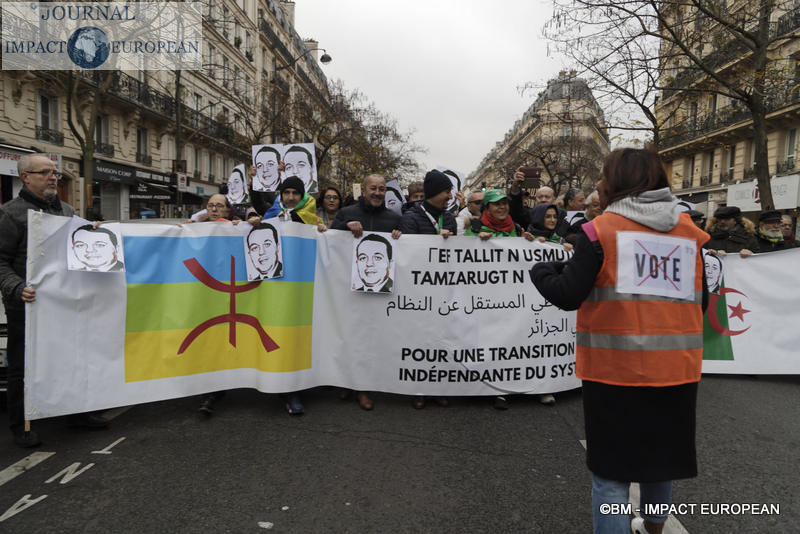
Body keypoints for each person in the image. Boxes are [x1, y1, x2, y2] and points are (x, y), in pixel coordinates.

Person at [530, 148, 709, 534]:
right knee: (660, 461)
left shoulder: (600, 231)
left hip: (615, 374)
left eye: (604, 176)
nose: (598, 184)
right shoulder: (691, 234)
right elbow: (704, 300)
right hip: (677, 371)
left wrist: (540, 269)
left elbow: (566, 293)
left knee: (611, 475)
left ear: (617, 183)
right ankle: (654, 528)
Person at [0, 154, 107, 447]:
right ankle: (21, 425)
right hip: (27, 305)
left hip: (64, 302)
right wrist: (16, 286)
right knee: (22, 366)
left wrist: (94, 235)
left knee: (71, 359)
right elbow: (1, 261)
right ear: (25, 177)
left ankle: (76, 415)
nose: (52, 177)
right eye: (45, 172)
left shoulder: (67, 211)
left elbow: (80, 249)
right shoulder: (10, 214)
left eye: (55, 173)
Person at [248, 176, 324, 415]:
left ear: (303, 196)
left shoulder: (313, 218)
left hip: (300, 288)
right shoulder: (271, 214)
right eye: (287, 192)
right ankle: (273, 380)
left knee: (294, 338)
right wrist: (251, 221)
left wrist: (324, 232)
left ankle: (293, 389)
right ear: (281, 194)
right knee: (274, 334)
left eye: (296, 193)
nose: (291, 197)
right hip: (273, 286)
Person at [332, 173, 401, 411]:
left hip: (381, 292)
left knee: (371, 339)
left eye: (382, 189)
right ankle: (348, 381)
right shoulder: (347, 213)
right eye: (373, 188)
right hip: (350, 290)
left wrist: (400, 238)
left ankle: (363, 386)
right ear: (363, 189)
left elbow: (404, 252)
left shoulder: (394, 218)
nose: (378, 193)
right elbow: (330, 241)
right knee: (350, 337)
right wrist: (343, 227)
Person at [463, 189, 533, 410]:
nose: (502, 207)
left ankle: (502, 389)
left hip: (510, 300)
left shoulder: (517, 229)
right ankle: (478, 385)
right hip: (482, 301)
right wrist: (476, 242)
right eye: (496, 204)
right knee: (483, 342)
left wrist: (529, 243)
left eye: (504, 203)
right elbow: (460, 263)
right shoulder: (474, 229)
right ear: (487, 208)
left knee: (506, 343)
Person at [399, 169, 457, 409]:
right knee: (420, 341)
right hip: (418, 293)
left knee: (442, 340)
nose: (450, 196)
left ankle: (439, 387)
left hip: (444, 290)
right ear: (434, 192)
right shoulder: (411, 217)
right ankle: (419, 389)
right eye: (446, 191)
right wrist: (435, 239)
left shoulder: (450, 218)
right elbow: (410, 253)